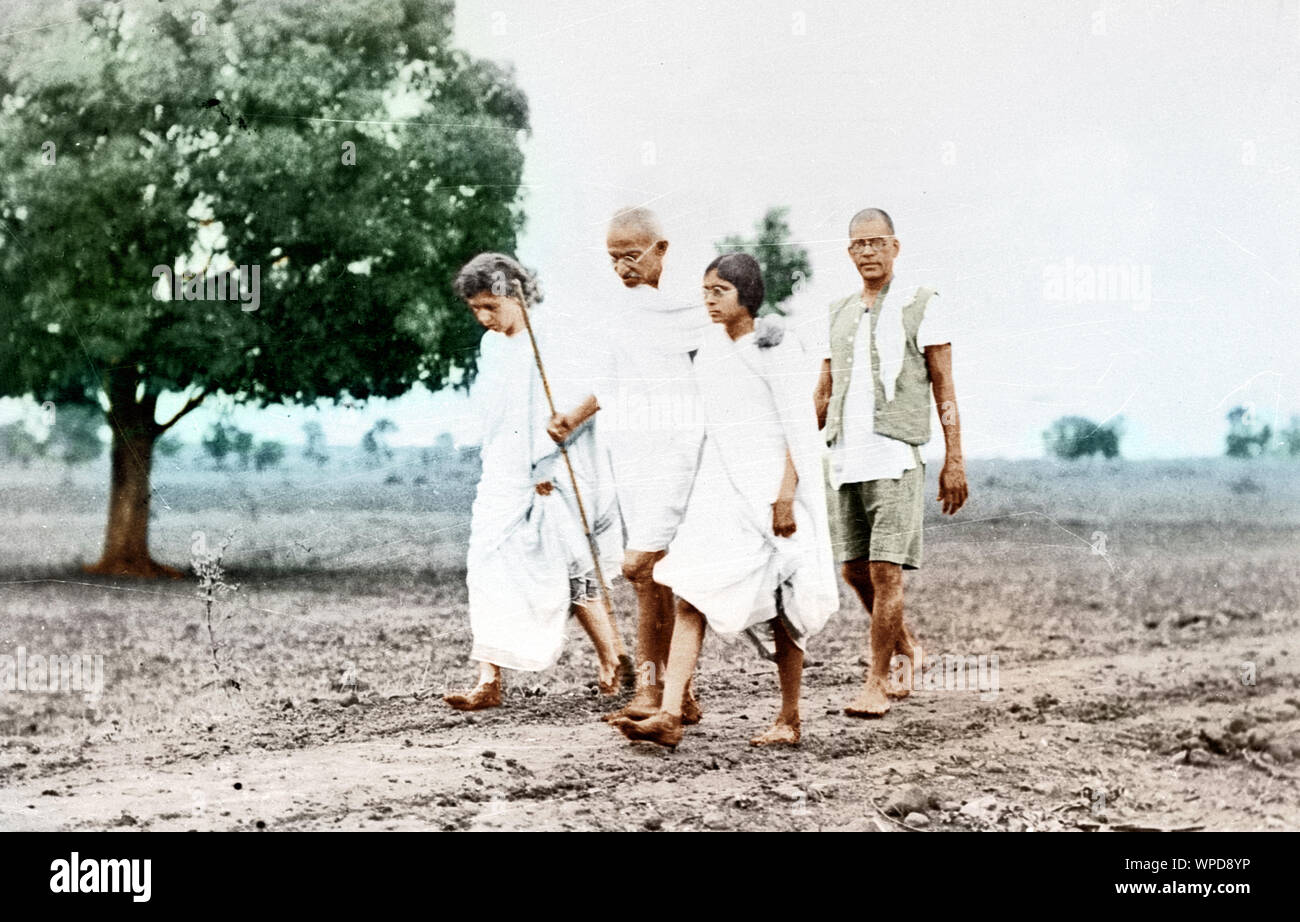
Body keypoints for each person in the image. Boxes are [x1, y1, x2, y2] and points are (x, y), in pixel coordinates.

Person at [611, 253, 838, 748]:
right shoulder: (711, 350)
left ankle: (789, 718)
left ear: (746, 295)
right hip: (722, 494)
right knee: (690, 590)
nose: (710, 300)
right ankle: (669, 715)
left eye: (721, 291)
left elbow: (798, 429)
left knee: (785, 608)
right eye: (706, 291)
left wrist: (784, 496)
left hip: (774, 498)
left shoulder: (775, 348)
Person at [443, 252, 628, 711]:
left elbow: (606, 384)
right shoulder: (491, 347)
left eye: (491, 306)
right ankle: (489, 677)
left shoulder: (554, 334)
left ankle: (614, 660)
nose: (484, 318)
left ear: (515, 294)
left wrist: (570, 421)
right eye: (475, 310)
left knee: (575, 570)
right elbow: (498, 414)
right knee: (484, 566)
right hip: (504, 471)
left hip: (557, 467)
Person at [546, 207, 709, 723]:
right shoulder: (620, 313)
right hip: (632, 457)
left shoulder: (692, 308)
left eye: (631, 256)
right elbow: (610, 383)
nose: (622, 268)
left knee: (648, 569)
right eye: (613, 259)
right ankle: (670, 692)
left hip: (681, 454)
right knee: (650, 577)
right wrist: (573, 416)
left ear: (661, 249)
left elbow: (722, 369)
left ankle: (652, 691)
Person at [812, 208, 969, 718]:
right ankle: (908, 648)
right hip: (843, 458)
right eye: (858, 244)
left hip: (895, 455)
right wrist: (786, 449)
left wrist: (954, 460)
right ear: (849, 251)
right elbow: (823, 391)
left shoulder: (922, 305)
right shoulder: (837, 311)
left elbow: (943, 386)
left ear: (895, 247)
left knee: (885, 572)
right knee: (854, 569)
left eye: (877, 242)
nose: (867, 252)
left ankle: (877, 682)